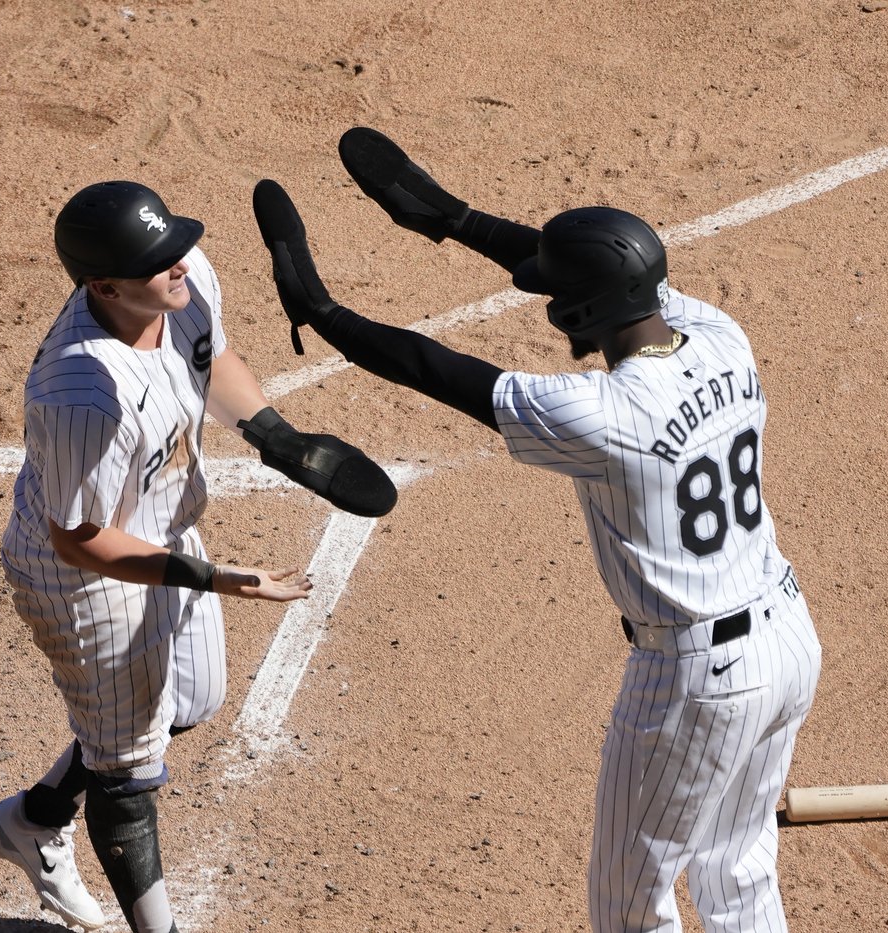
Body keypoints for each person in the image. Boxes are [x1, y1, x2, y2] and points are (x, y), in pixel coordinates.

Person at [252, 128, 823, 933]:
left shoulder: (604, 416)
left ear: (580, 307)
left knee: (629, 906)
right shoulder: (722, 336)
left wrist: (324, 312)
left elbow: (440, 371)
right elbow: (614, 277)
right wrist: (454, 218)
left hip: (697, 680)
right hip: (788, 636)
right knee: (739, 869)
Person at [0, 180, 396, 933]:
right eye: (157, 261)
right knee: (128, 767)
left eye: (175, 245)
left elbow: (213, 352)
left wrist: (274, 432)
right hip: (83, 579)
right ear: (103, 285)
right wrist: (215, 576)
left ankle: (33, 815)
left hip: (165, 530)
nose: (180, 264)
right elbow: (81, 537)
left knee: (190, 702)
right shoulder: (83, 392)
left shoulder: (186, 277)